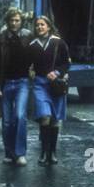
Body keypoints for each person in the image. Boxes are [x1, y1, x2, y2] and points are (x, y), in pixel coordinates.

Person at [0, 7, 31, 166]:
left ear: (21, 21)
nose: (14, 23)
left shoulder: (27, 36)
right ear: (7, 21)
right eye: (12, 20)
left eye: (17, 20)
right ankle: (9, 152)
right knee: (6, 121)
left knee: (19, 116)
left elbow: (36, 56)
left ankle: (20, 153)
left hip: (22, 82)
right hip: (5, 83)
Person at [28, 15, 72, 166]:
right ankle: (43, 152)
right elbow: (28, 63)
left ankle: (52, 153)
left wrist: (57, 72)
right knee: (45, 116)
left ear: (48, 26)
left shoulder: (58, 43)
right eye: (37, 25)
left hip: (56, 85)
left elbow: (66, 63)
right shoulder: (32, 45)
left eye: (42, 24)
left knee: (54, 121)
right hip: (40, 85)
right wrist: (30, 71)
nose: (39, 27)